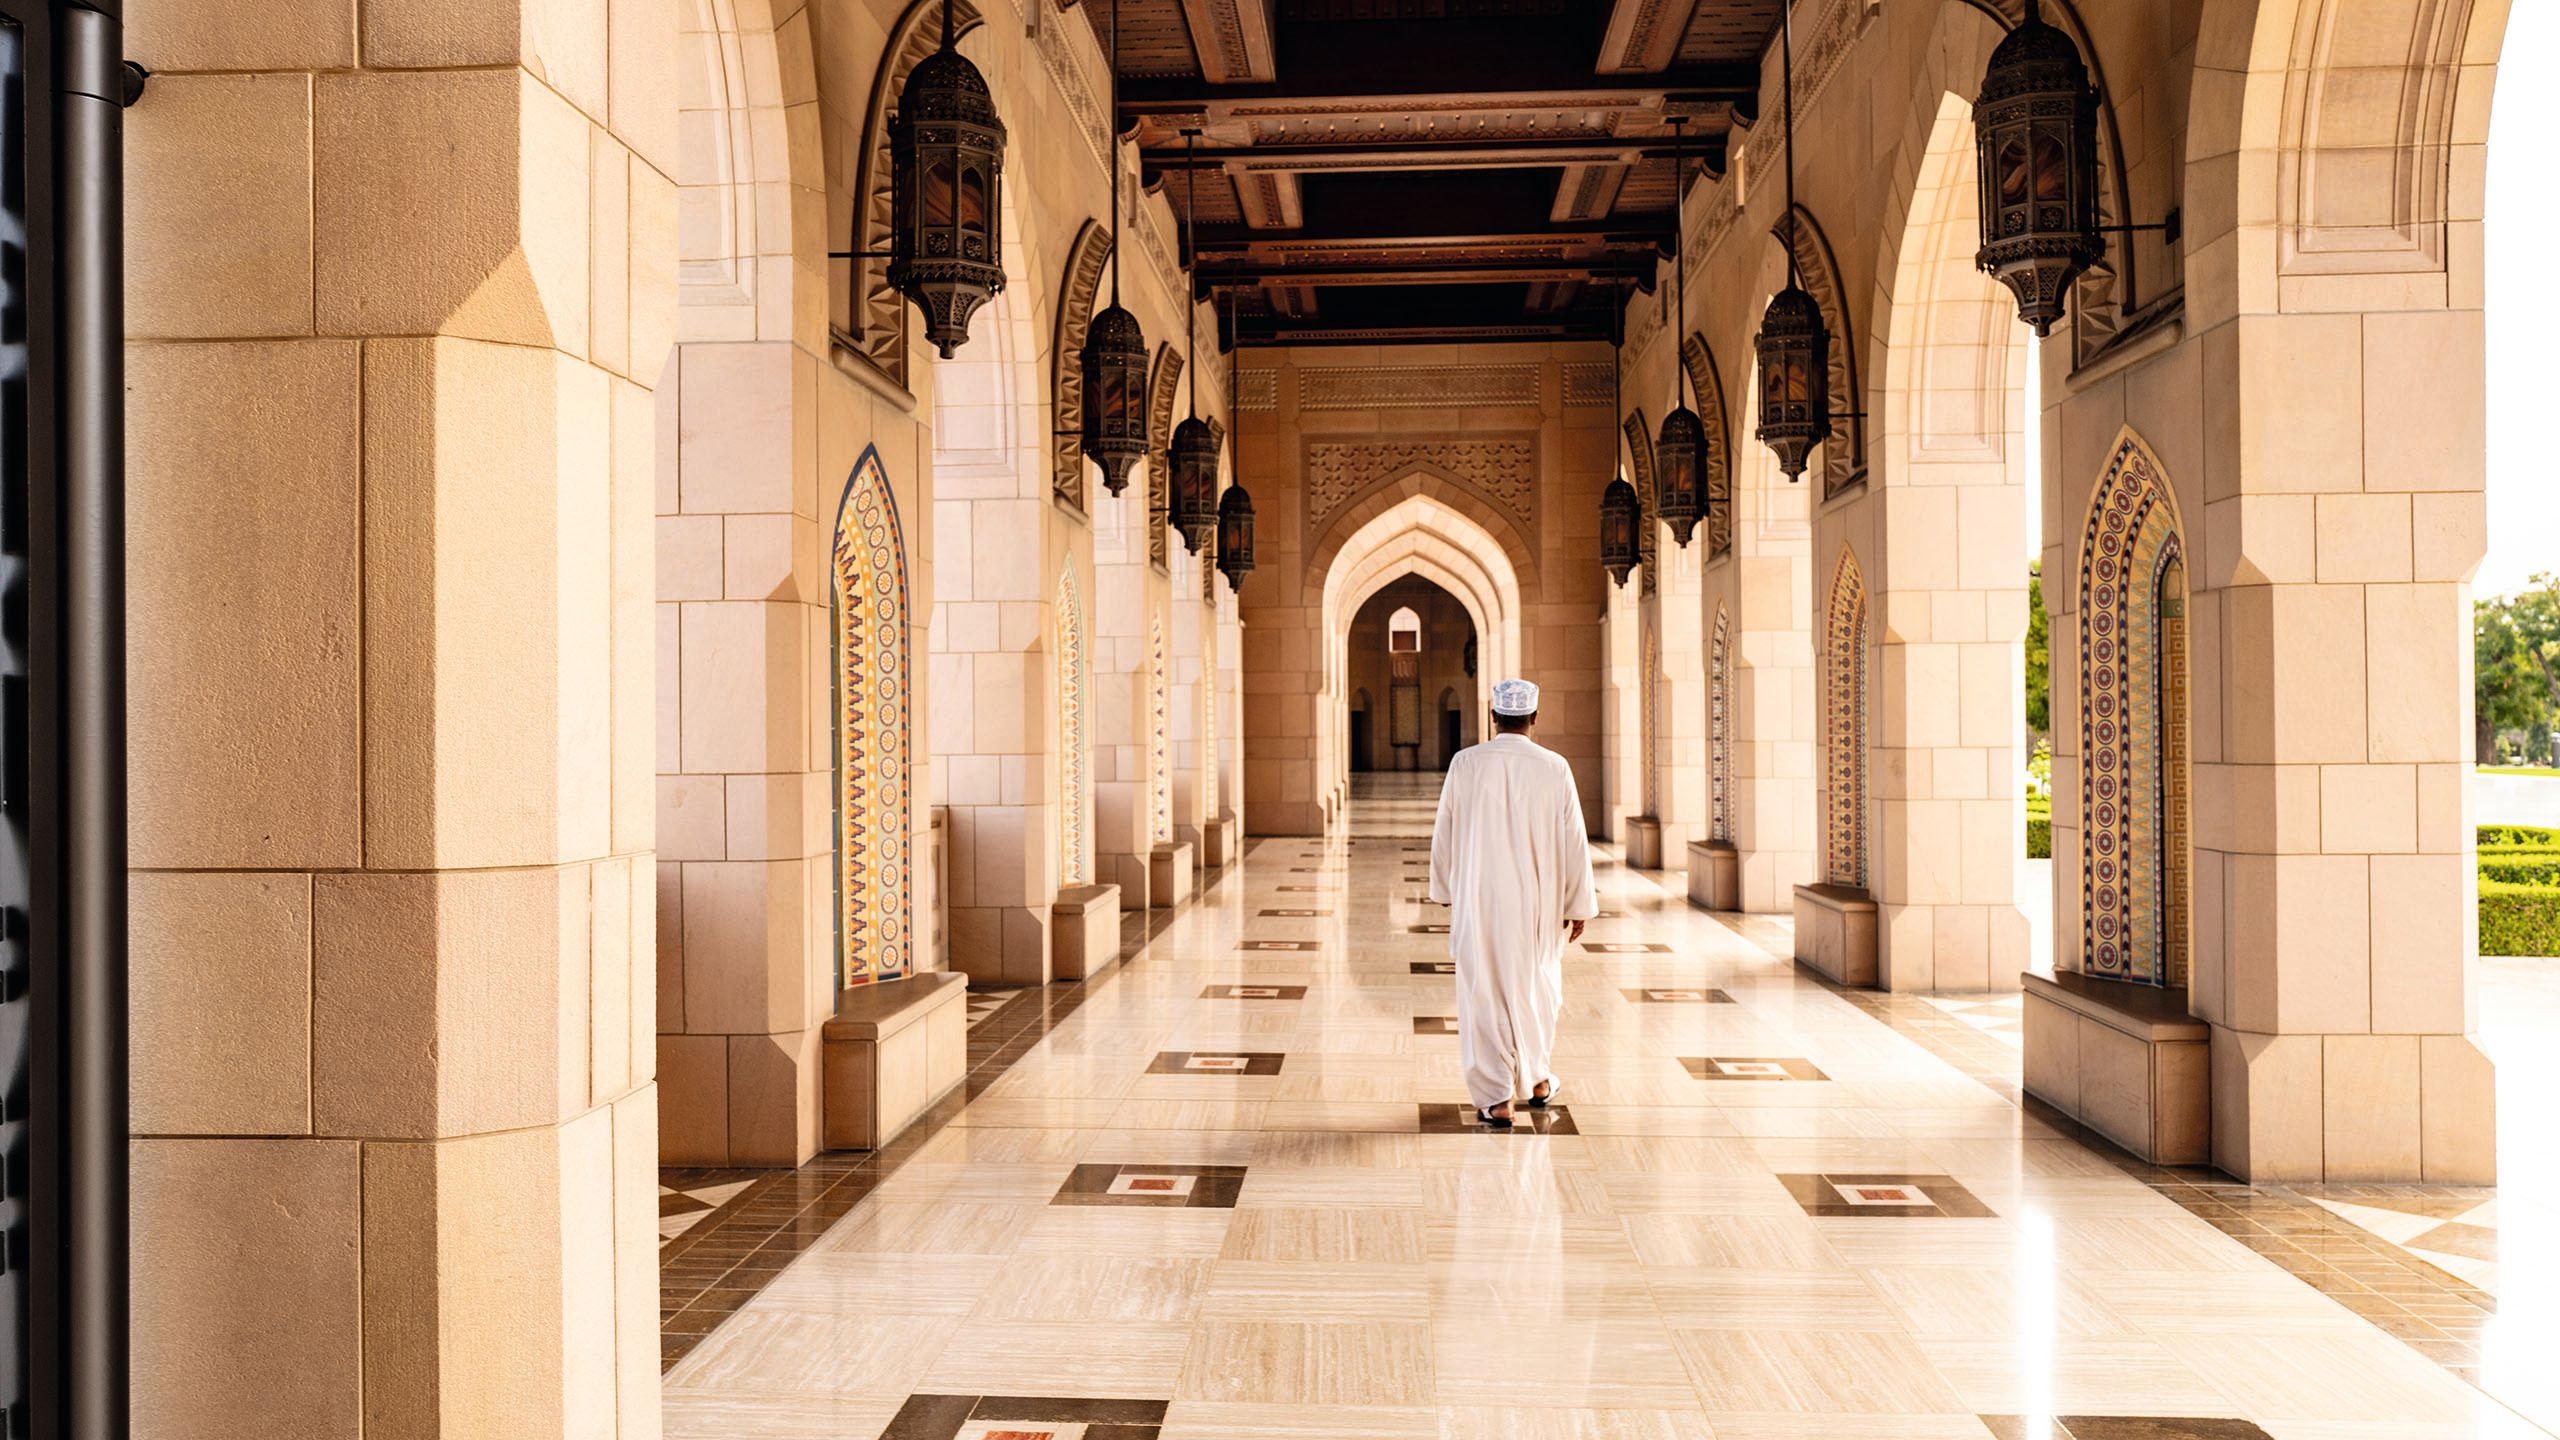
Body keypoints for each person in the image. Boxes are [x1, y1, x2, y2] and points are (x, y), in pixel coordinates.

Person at [1426, 678, 1599, 1127]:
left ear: (1493, 716)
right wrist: (1577, 903)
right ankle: (1537, 1080)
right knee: (1536, 984)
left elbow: (1444, 829)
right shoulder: (1554, 767)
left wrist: (1447, 890)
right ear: (1534, 718)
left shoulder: (1466, 763)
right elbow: (1573, 840)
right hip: (1536, 901)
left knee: (1484, 988)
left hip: (1479, 897)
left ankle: (1497, 1097)